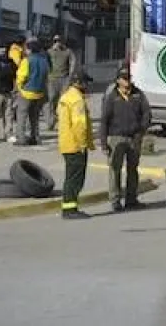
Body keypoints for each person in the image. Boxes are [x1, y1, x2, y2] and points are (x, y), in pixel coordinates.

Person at [100, 68, 152, 212]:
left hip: (134, 137)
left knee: (132, 169)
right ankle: (115, 200)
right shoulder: (111, 97)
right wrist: (103, 143)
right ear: (118, 81)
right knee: (114, 169)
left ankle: (131, 199)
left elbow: (147, 113)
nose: (126, 80)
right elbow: (104, 120)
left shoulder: (138, 95)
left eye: (128, 77)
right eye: (123, 78)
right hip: (116, 138)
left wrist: (141, 131)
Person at [58, 72, 96, 220]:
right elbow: (80, 125)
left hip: (66, 142)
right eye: (86, 82)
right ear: (78, 82)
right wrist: (82, 144)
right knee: (75, 178)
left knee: (70, 176)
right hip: (75, 145)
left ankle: (69, 206)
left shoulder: (66, 96)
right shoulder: (77, 100)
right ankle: (69, 208)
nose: (88, 86)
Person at [14, 39, 48, 147]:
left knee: (21, 116)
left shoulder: (27, 60)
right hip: (39, 92)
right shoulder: (44, 61)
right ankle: (35, 137)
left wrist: (19, 87)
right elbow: (46, 75)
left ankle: (21, 139)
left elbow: (21, 76)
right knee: (35, 117)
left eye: (26, 48)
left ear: (30, 49)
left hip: (26, 92)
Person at [46, 35, 76, 133]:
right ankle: (51, 122)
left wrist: (70, 76)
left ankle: (63, 122)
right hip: (52, 79)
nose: (57, 43)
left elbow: (73, 62)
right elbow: (45, 63)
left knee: (63, 101)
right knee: (51, 100)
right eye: (55, 41)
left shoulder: (68, 51)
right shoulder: (49, 52)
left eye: (59, 41)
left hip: (64, 79)